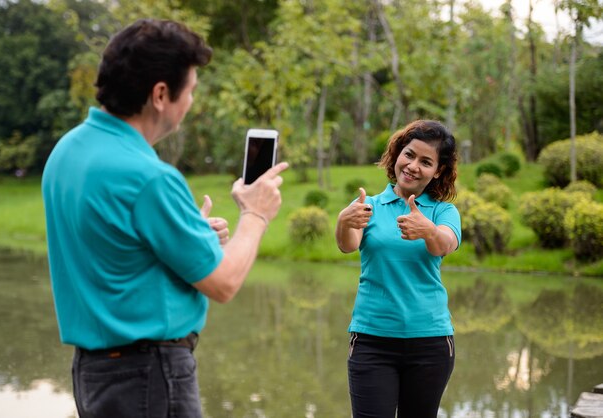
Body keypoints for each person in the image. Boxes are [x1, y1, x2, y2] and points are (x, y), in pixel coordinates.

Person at [42, 19, 288, 418]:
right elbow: (223, 284)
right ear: (160, 94)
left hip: (92, 372)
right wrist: (255, 214)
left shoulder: (67, 151)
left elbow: (110, 246)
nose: (190, 102)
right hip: (148, 377)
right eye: (189, 90)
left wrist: (187, 236)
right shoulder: (147, 177)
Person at [335, 120, 461, 418]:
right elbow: (348, 245)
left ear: (438, 171)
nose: (413, 166)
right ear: (397, 154)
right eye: (409, 154)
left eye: (426, 161)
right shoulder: (368, 206)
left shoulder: (443, 211)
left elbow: (444, 244)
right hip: (371, 341)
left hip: (430, 343)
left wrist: (427, 230)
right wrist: (343, 221)